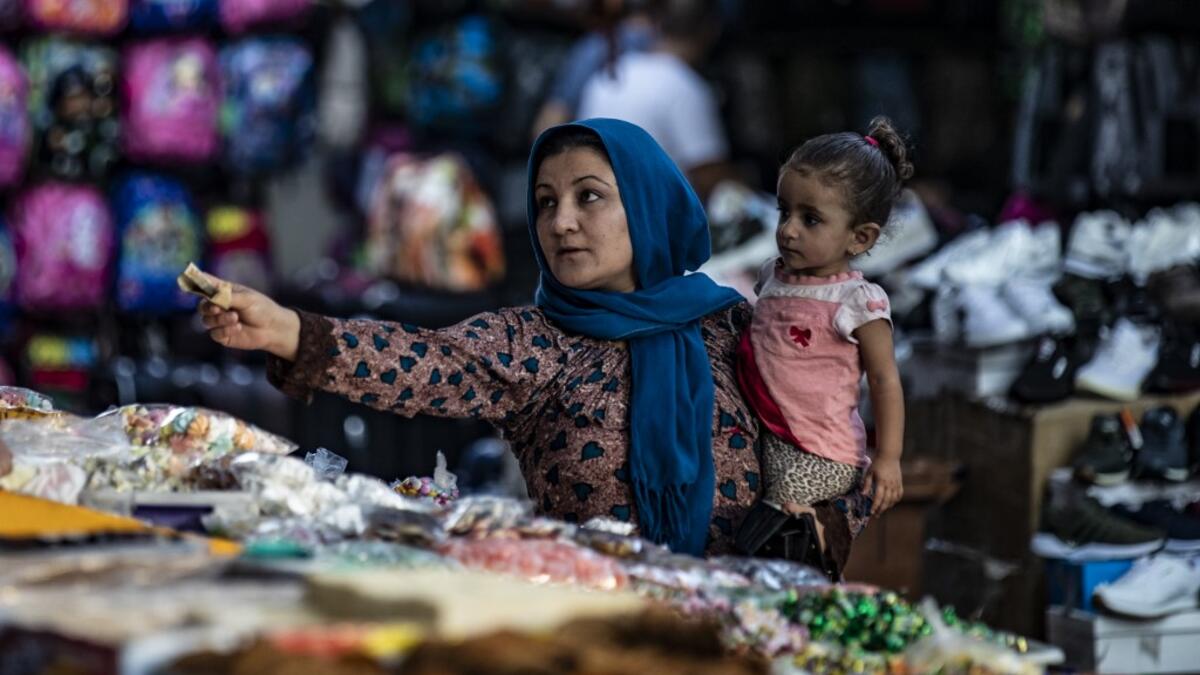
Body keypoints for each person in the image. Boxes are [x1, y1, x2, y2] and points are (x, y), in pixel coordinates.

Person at [736, 117, 909, 543]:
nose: (788, 229)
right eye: (784, 211)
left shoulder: (857, 301)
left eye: (810, 219)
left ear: (860, 238)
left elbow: (886, 381)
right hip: (771, 435)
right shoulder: (771, 277)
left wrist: (888, 458)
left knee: (776, 534)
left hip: (820, 453)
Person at [575, 0, 735, 201]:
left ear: (654, 25)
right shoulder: (685, 85)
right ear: (712, 30)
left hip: (597, 213)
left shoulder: (607, 76)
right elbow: (714, 183)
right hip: (652, 223)